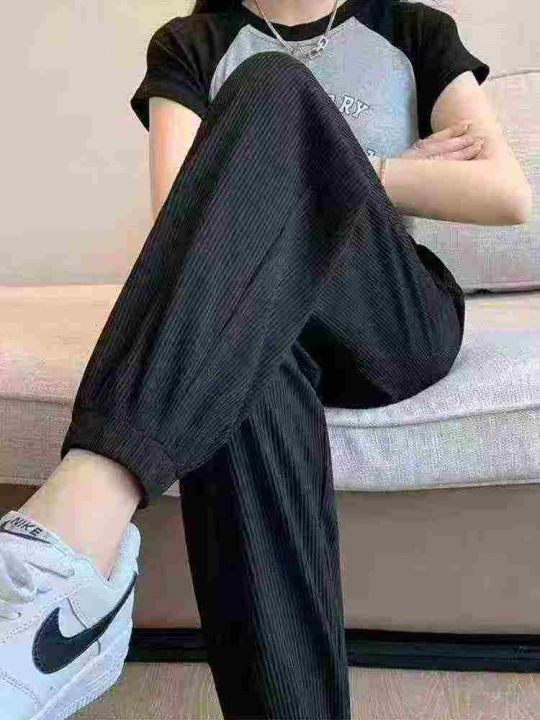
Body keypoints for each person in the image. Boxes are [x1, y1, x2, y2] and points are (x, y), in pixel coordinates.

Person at [0, 0, 532, 718]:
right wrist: (377, 168)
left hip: (386, 312)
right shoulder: (193, 43)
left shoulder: (412, 29)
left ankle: (71, 535)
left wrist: (336, 161)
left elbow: (506, 193)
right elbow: (182, 222)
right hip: (256, 311)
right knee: (241, 367)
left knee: (272, 86)